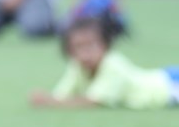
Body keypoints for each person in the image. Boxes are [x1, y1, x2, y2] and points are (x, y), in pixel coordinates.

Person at [30, 16, 178, 110]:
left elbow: (95, 102)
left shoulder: (113, 64)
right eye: (78, 48)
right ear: (69, 51)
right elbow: (62, 95)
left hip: (168, 86)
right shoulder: (77, 66)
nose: (84, 54)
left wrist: (50, 103)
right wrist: (48, 99)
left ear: (105, 46)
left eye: (91, 46)